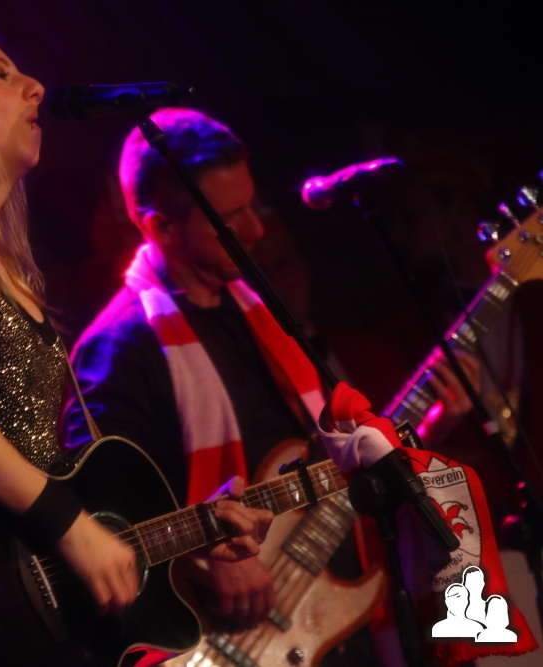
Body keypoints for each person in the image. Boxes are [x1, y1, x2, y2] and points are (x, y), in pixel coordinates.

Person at [0, 31, 272, 664]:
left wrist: (187, 534)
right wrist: (70, 526)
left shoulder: (0, 264)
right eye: (0, 73)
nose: (35, 87)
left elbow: (46, 472)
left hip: (31, 591)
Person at [62, 107, 482, 665]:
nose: (257, 231)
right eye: (230, 219)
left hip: (326, 617)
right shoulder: (119, 347)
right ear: (161, 228)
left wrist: (426, 432)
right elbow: (96, 520)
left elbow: (323, 470)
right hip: (216, 634)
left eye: (252, 207)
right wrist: (200, 558)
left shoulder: (259, 311)